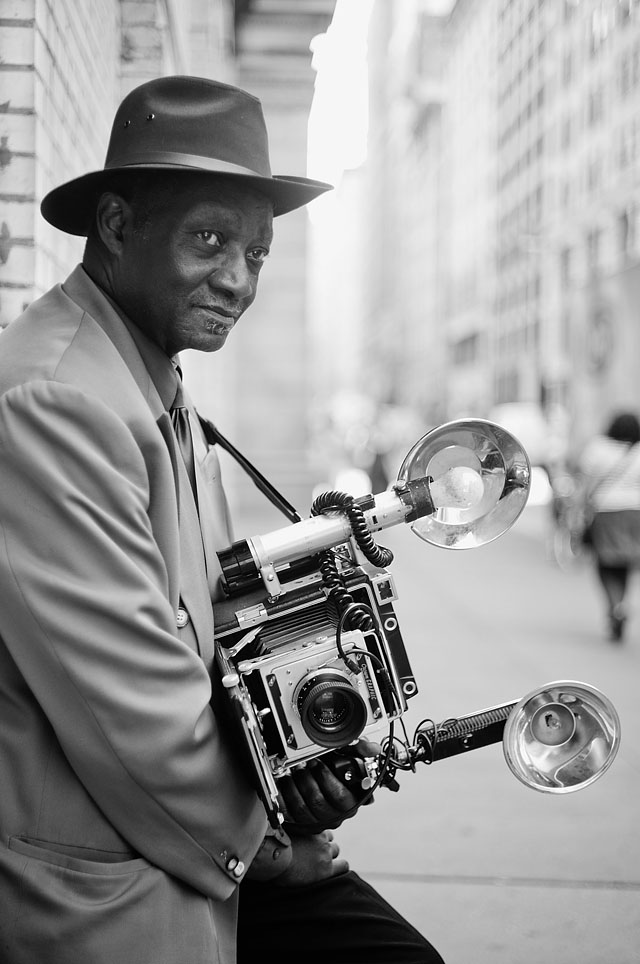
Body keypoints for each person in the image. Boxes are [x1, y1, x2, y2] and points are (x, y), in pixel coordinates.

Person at [0, 76, 444, 964]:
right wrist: (278, 844)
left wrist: (298, 745)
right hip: (121, 867)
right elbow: (135, 716)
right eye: (210, 239)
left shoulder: (149, 383)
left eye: (258, 253)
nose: (238, 280)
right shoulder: (57, 400)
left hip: (191, 833)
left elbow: (208, 621)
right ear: (119, 227)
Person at [577, 410, 640, 641]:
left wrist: (581, 509)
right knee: (624, 562)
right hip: (635, 513)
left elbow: (586, 481)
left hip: (606, 511)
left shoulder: (598, 448)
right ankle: (620, 605)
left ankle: (615, 606)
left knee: (605, 562)